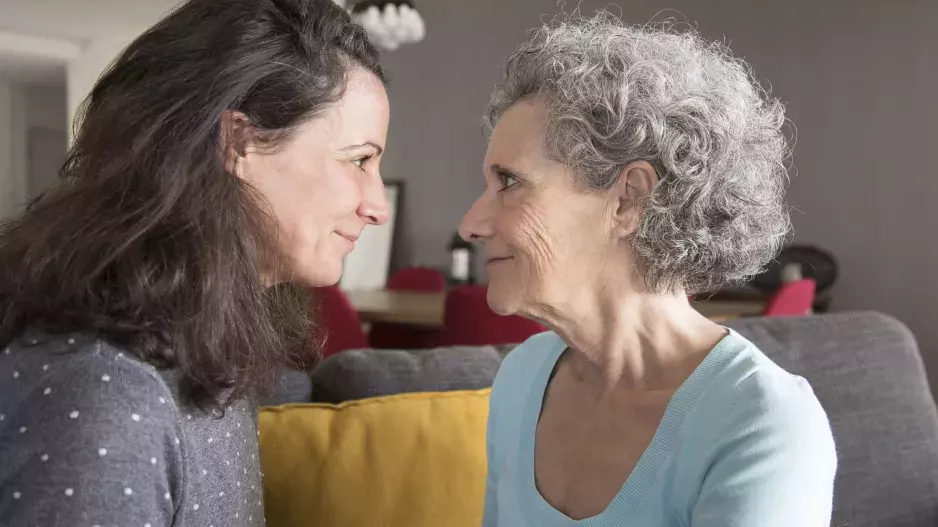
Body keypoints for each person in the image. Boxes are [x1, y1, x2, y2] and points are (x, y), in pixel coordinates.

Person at [0, 0, 390, 524]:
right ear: (239, 141)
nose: (378, 205)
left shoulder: (206, 341)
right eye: (359, 159)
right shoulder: (105, 398)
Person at [459, 12, 837, 527]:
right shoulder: (521, 379)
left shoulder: (760, 424)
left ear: (627, 199)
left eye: (509, 181)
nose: (471, 223)